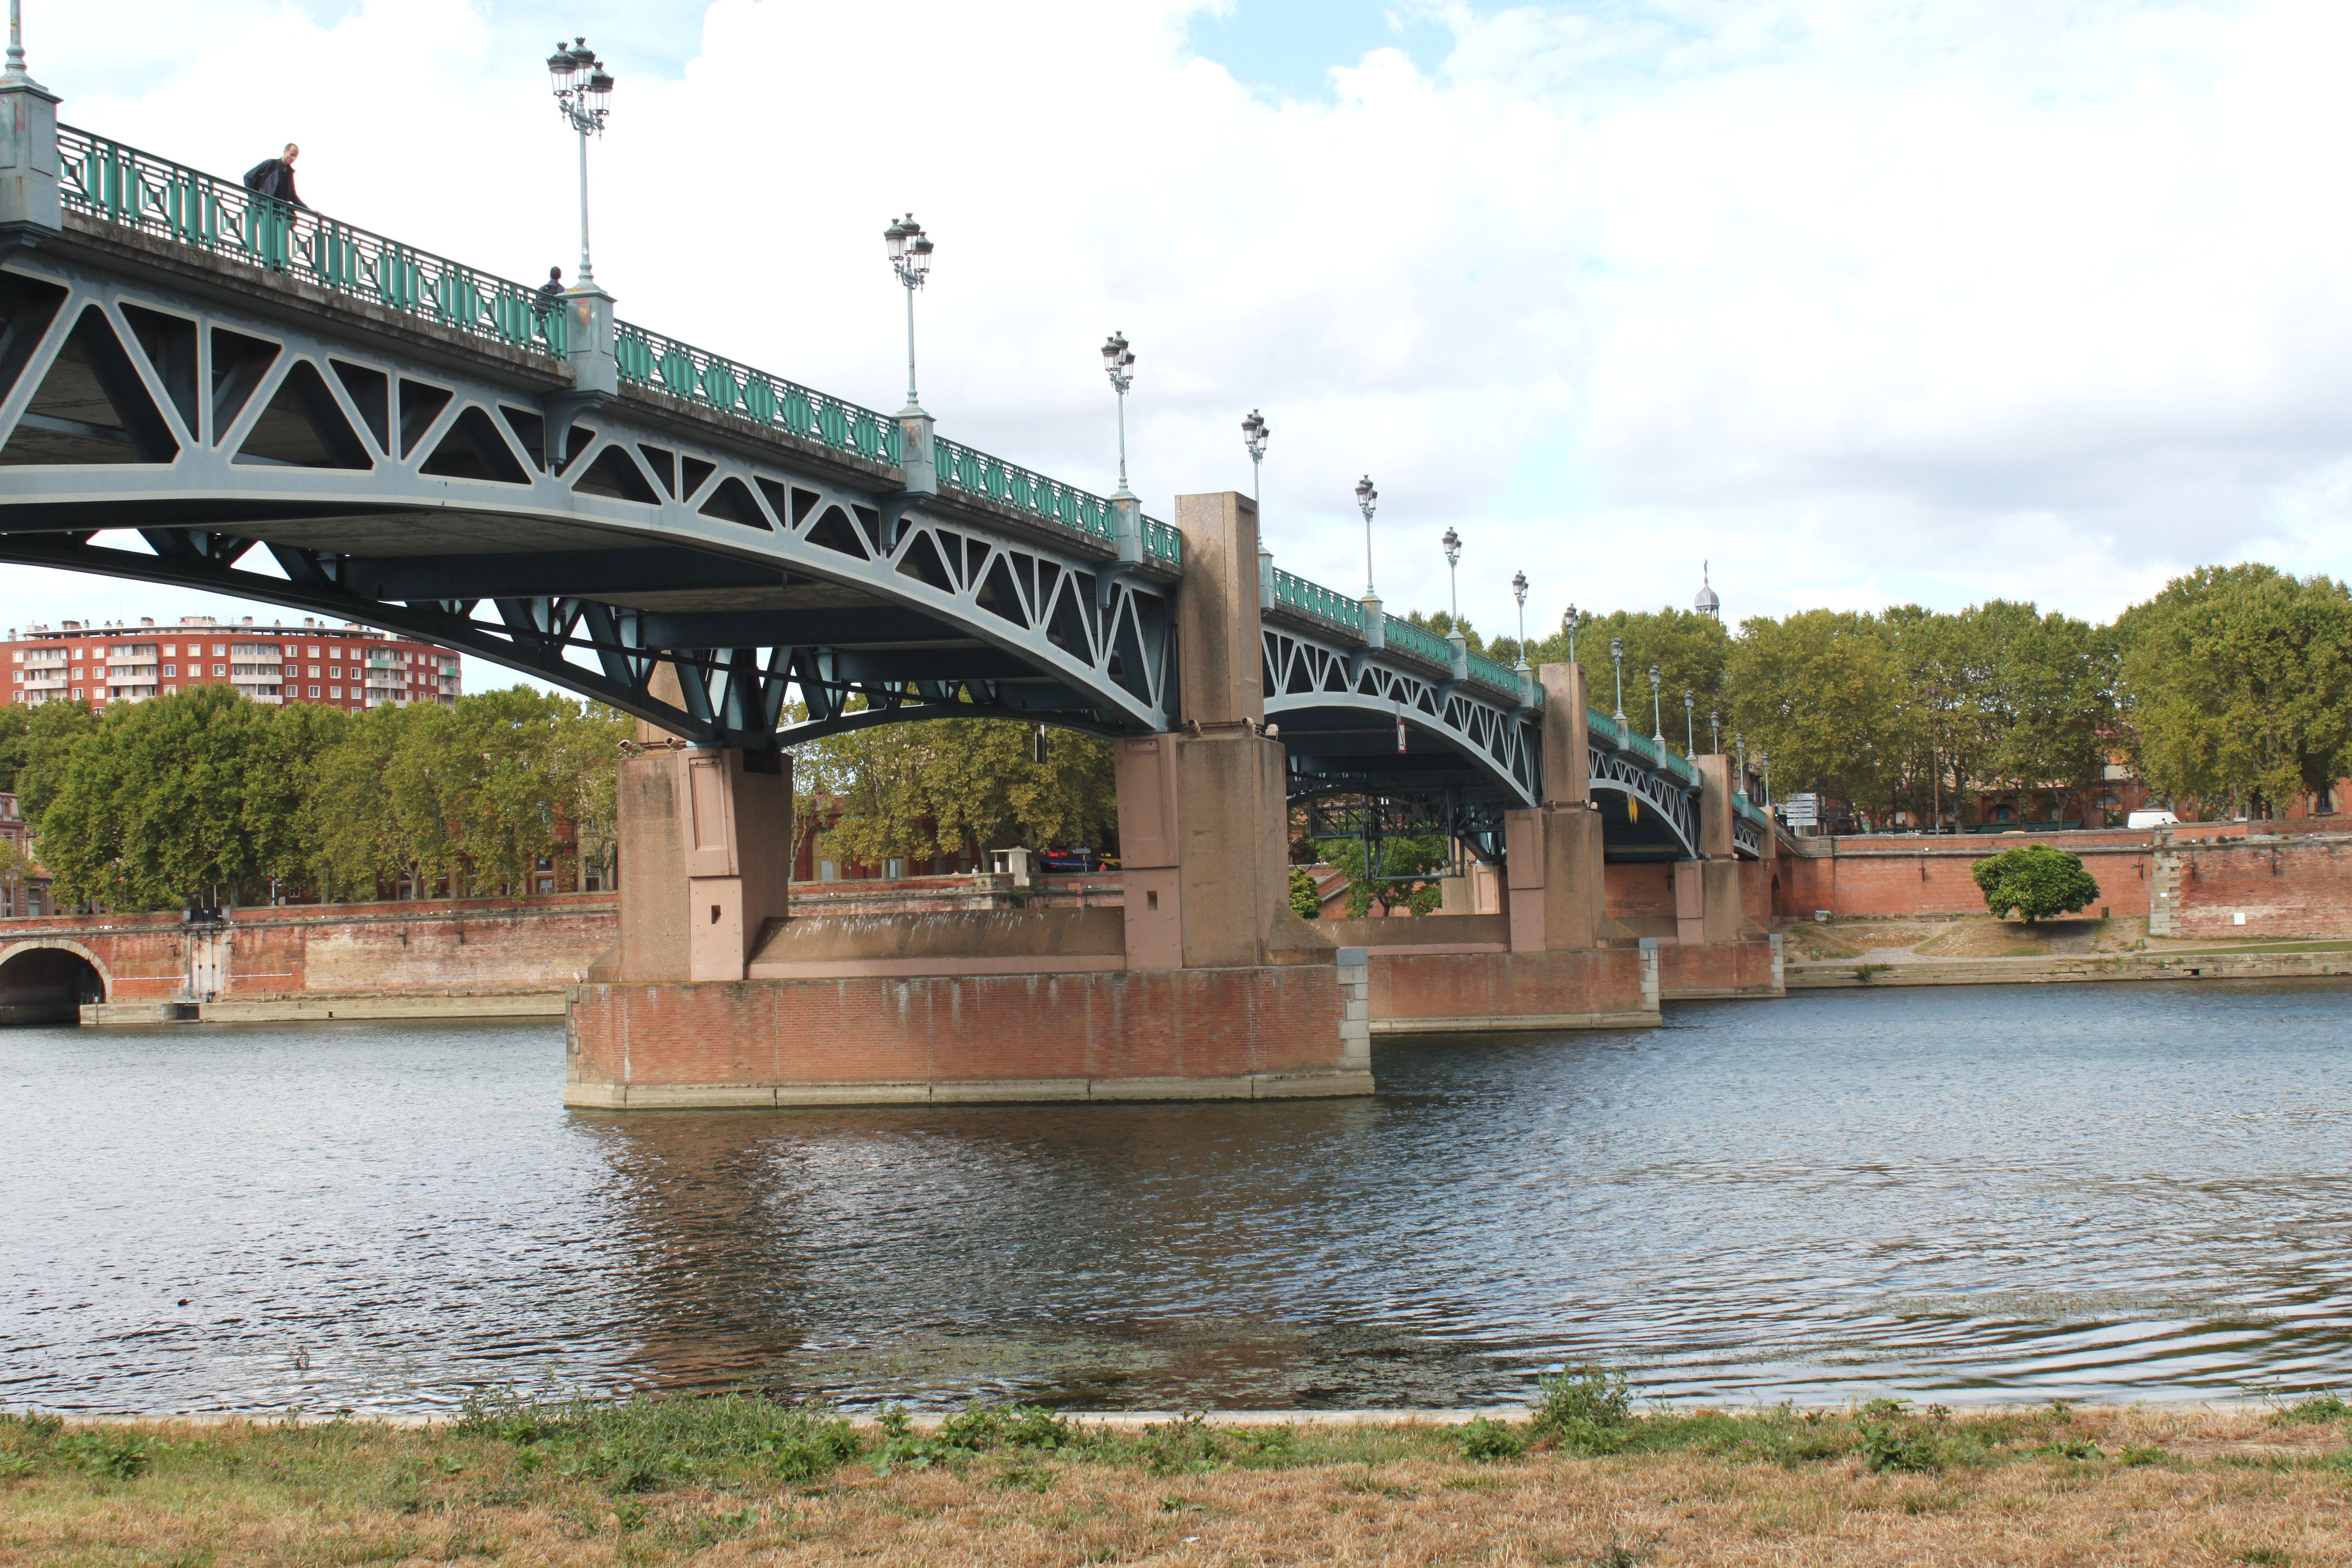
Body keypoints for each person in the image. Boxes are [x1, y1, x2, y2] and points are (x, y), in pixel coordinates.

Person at [241, 143, 305, 209]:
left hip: (279, 213)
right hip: (265, 209)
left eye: (296, 156)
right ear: (285, 152)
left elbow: (293, 197)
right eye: (292, 155)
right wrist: (253, 199)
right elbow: (248, 177)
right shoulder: (271, 164)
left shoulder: (289, 172)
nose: (293, 158)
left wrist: (309, 211)